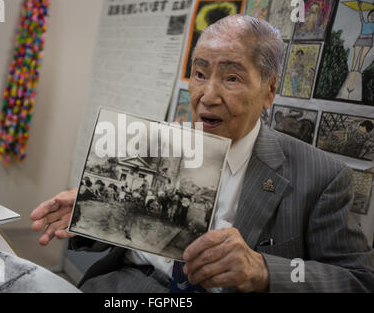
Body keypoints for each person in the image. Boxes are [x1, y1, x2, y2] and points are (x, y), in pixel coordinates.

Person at [30, 15, 374, 292]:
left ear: (269, 91)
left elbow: (357, 280)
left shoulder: (322, 176)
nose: (207, 95)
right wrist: (90, 215)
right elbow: (129, 233)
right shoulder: (161, 144)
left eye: (232, 78)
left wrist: (262, 270)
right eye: (199, 73)